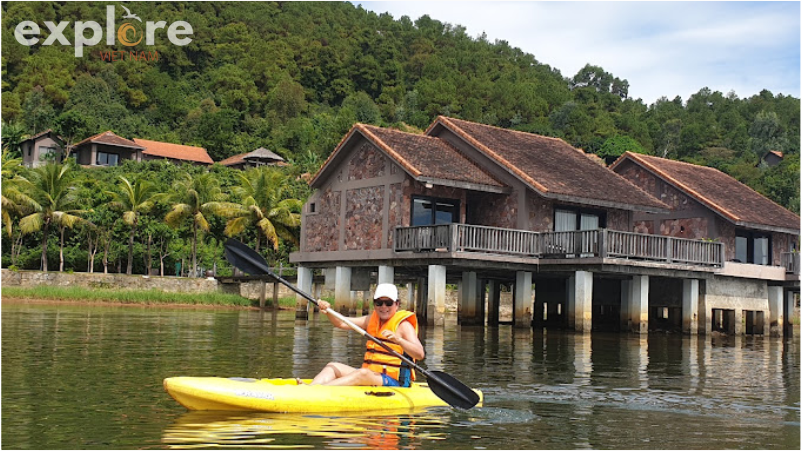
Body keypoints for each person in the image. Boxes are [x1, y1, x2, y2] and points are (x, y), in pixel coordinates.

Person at [301, 283, 425, 387]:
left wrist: (399, 340)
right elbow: (342, 323)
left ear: (397, 304)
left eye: (388, 303)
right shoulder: (370, 320)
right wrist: (327, 311)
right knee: (332, 366)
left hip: (396, 381)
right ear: (374, 304)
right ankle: (312, 388)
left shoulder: (404, 326)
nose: (383, 307)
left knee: (362, 374)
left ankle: (315, 391)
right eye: (379, 303)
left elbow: (419, 354)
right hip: (371, 375)